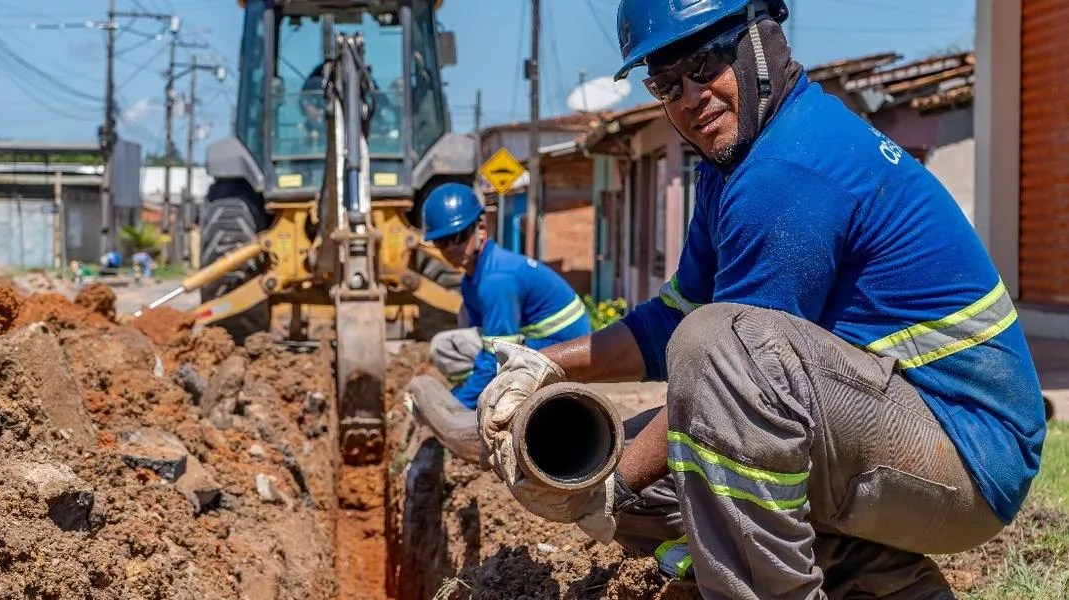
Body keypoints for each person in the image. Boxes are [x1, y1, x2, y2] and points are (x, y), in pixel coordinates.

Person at [475, 1, 1045, 598]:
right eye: (666, 84)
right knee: (673, 447)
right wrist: (541, 364)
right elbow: (671, 321)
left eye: (704, 63)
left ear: (763, 38)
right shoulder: (731, 166)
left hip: (968, 455)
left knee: (707, 375)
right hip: (900, 435)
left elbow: (729, 367)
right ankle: (886, 586)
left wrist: (605, 485)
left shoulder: (789, 167)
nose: (690, 96)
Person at [404, 182, 591, 463]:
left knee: (449, 346)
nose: (452, 247)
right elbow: (487, 345)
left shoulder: (496, 280)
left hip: (564, 354)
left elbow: (495, 353)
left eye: (459, 235)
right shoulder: (475, 277)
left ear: (481, 227)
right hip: (541, 342)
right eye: (443, 241)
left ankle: (509, 403)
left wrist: (457, 406)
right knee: (447, 344)